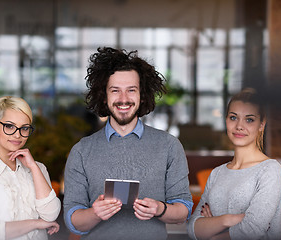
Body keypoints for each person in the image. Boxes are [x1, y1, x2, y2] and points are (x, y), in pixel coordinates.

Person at [63, 47, 193, 240]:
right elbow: (72, 220)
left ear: (142, 95)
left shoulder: (169, 146)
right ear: (104, 97)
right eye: (115, 91)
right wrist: (95, 213)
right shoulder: (82, 150)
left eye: (131, 90)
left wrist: (159, 209)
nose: (123, 99)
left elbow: (184, 210)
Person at [187, 88, 281, 240]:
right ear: (226, 120)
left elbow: (252, 229)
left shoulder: (270, 169)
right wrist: (229, 220)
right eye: (233, 118)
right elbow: (193, 228)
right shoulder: (217, 173)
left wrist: (213, 231)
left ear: (261, 125)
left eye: (249, 119)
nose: (239, 126)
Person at [0, 96, 61, 240]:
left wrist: (33, 167)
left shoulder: (39, 168)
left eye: (24, 128)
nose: (17, 135)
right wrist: (36, 223)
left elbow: (51, 214)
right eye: (9, 126)